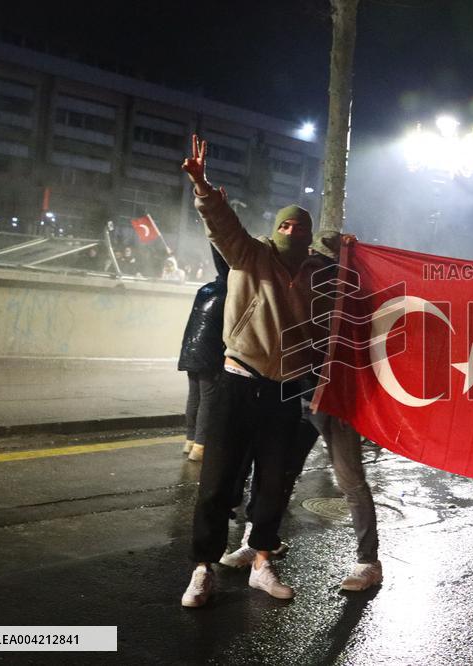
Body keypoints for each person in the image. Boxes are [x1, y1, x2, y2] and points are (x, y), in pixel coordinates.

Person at [179, 134, 324, 608]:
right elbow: (222, 225)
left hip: (285, 392)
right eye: (285, 229)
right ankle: (203, 569)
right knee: (217, 483)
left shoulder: (316, 272)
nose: (291, 237)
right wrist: (202, 186)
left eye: (299, 232)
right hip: (237, 383)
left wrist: (350, 251)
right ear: (274, 230)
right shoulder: (248, 253)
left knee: (273, 484)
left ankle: (261, 561)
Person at [219, 233, 383, 592]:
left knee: (350, 480)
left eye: (323, 265)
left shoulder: (351, 299)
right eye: (312, 263)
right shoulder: (297, 288)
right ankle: (259, 541)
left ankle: (369, 561)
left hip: (335, 399)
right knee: (276, 475)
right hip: (296, 392)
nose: (315, 270)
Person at [177, 245, 229, 462]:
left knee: (194, 396)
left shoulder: (206, 289)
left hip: (191, 350)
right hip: (209, 355)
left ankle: (189, 441)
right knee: (208, 399)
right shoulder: (231, 293)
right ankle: (201, 445)